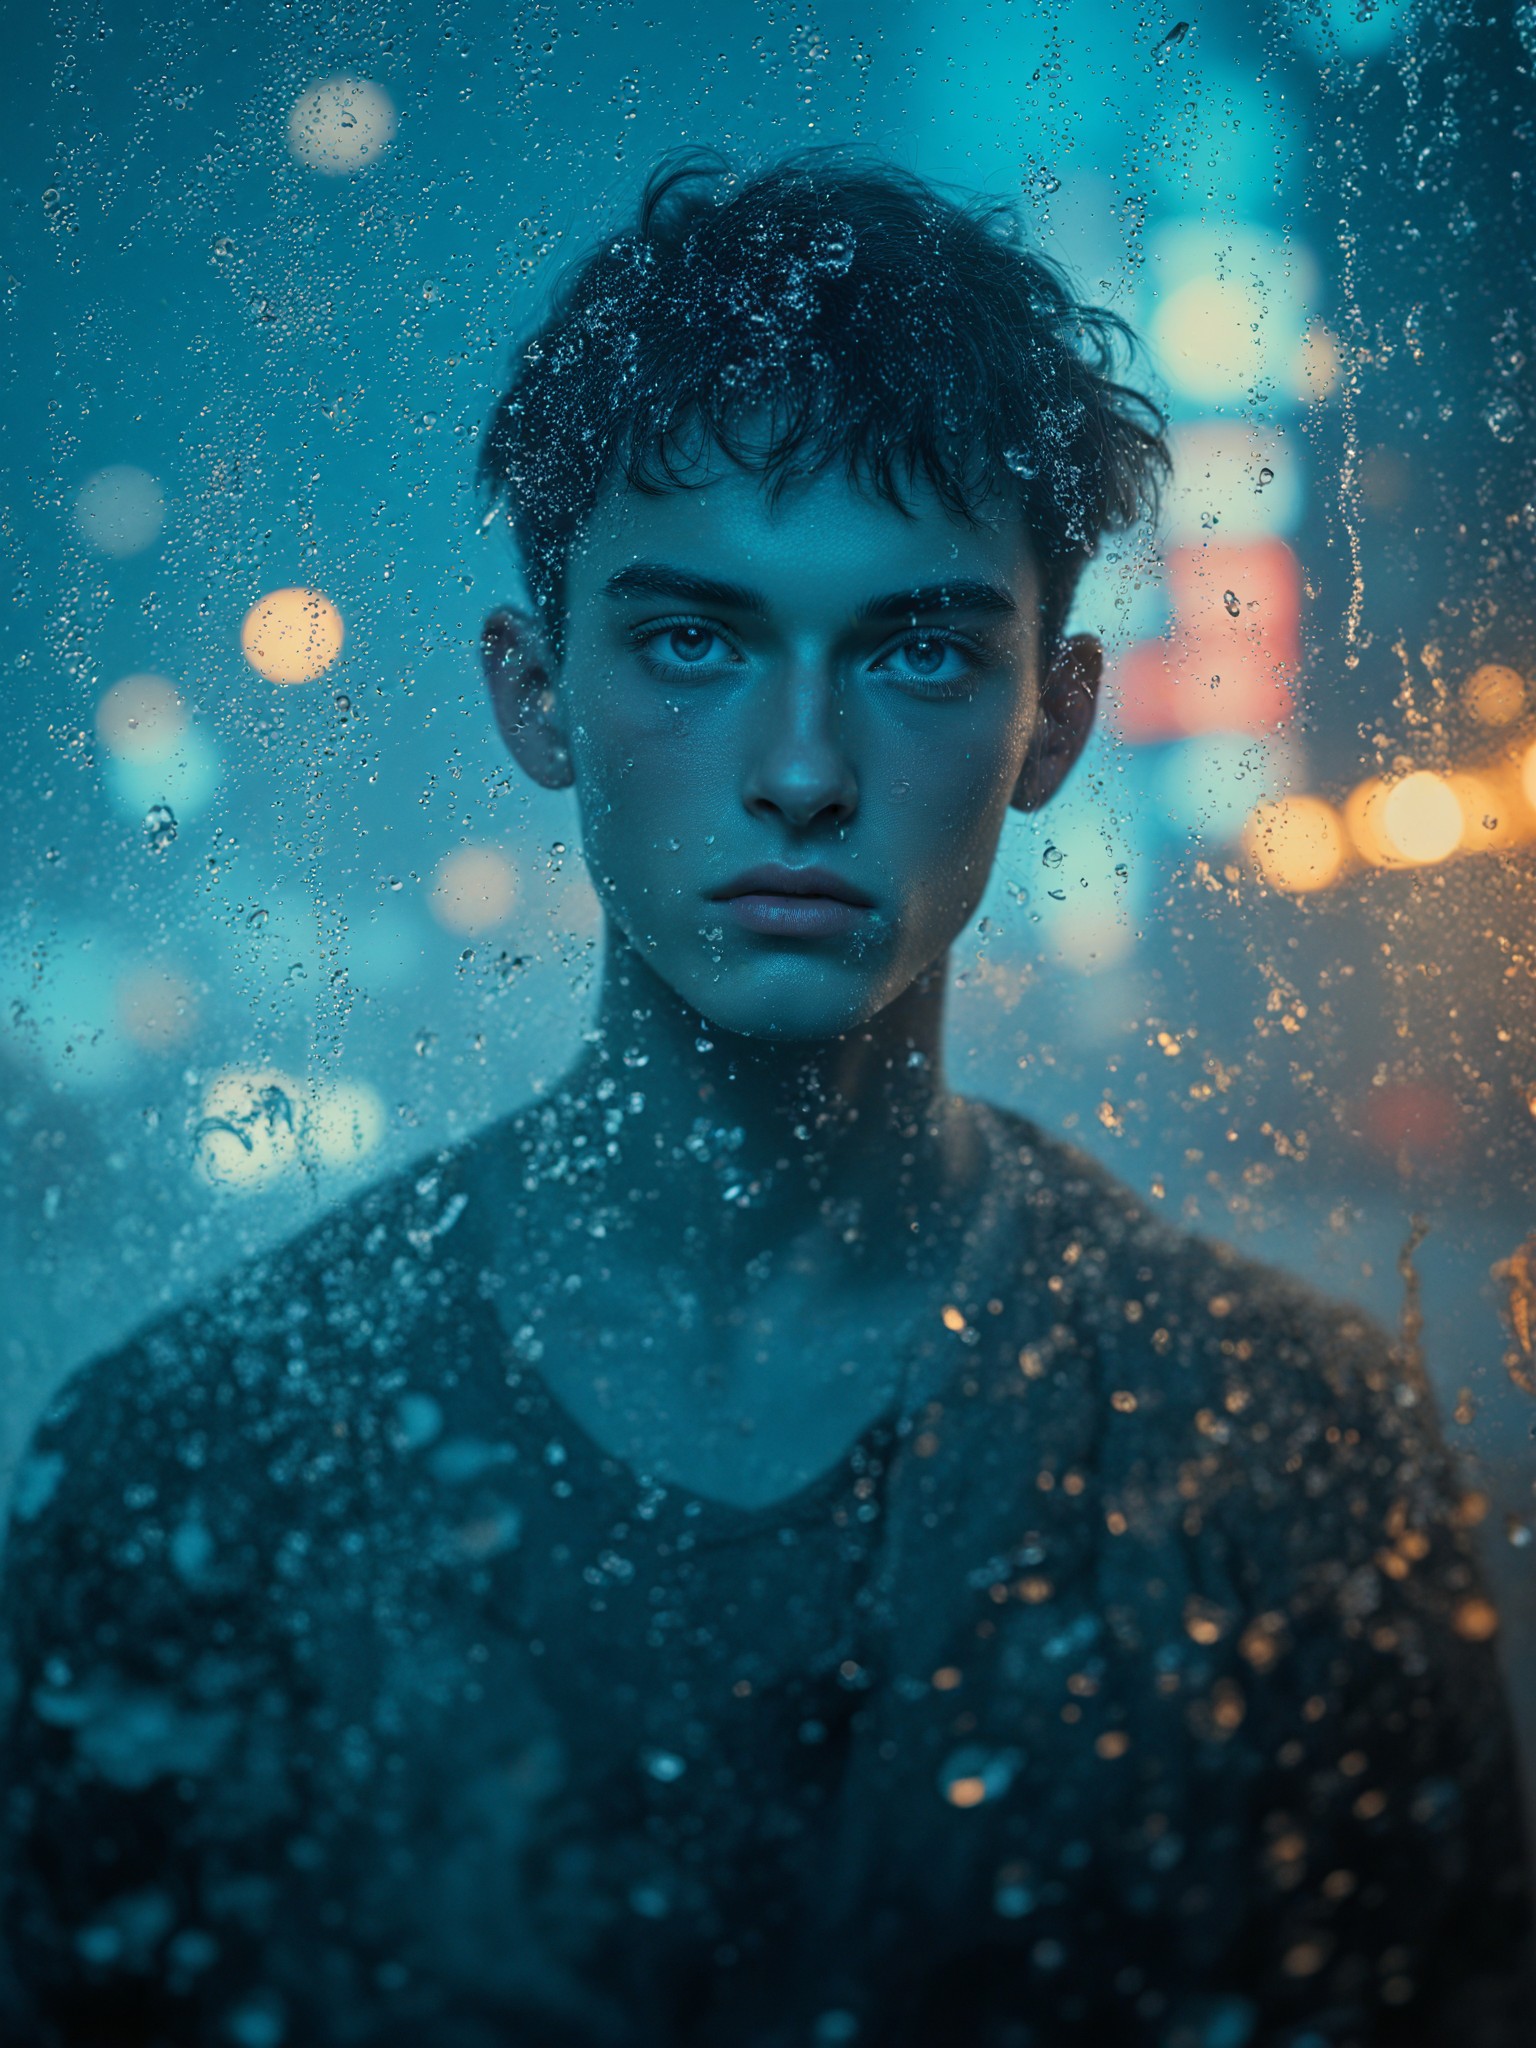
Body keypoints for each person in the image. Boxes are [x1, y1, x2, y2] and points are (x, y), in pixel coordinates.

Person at [0, 148, 1529, 2048]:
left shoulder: (1285, 1450)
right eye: (695, 639)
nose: (801, 768)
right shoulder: (193, 1458)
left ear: (1050, 719)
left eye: (913, 649)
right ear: (533, 689)